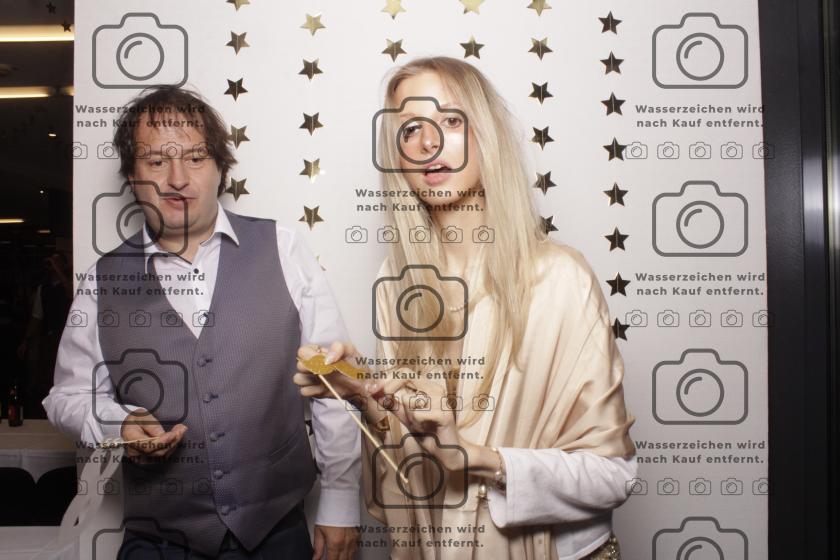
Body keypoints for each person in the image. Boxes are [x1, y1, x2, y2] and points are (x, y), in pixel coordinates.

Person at [294, 57, 637, 559]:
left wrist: (477, 459)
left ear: (487, 136)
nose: (429, 143)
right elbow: (406, 479)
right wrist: (364, 395)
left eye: (451, 120)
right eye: (410, 129)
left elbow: (612, 476)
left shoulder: (560, 278)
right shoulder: (397, 285)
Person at [44, 86, 361, 559]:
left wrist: (340, 501)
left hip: (276, 534)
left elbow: (333, 382)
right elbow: (66, 397)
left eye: (195, 158)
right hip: (157, 543)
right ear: (132, 175)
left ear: (220, 168)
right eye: (156, 161)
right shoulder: (101, 280)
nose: (177, 179)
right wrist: (118, 422)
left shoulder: (283, 248)